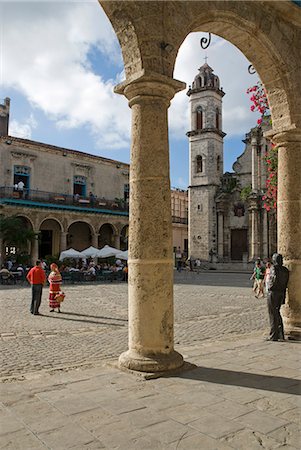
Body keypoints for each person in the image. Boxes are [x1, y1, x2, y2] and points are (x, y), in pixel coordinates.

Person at [266, 253, 289, 341]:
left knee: (272, 314)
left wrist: (270, 287)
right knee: (278, 313)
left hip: (273, 293)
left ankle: (273, 335)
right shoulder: (285, 269)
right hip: (281, 293)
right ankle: (280, 334)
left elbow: (273, 280)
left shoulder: (274, 268)